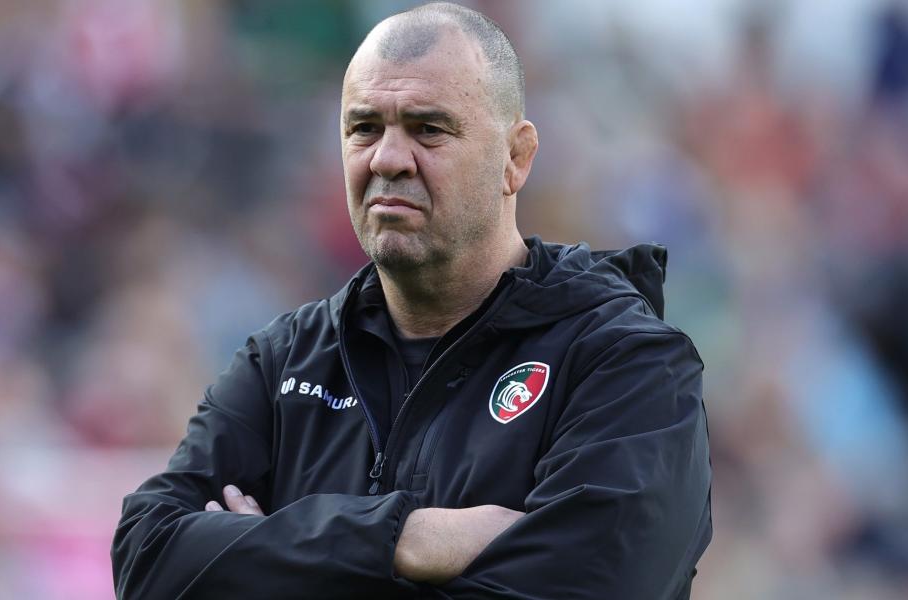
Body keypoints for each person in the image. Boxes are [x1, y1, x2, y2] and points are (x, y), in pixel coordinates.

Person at [111, 3, 712, 598]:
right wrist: (404, 538)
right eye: (364, 128)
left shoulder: (627, 365)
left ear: (516, 157)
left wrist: (271, 560)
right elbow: (147, 559)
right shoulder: (284, 363)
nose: (388, 159)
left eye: (429, 128)